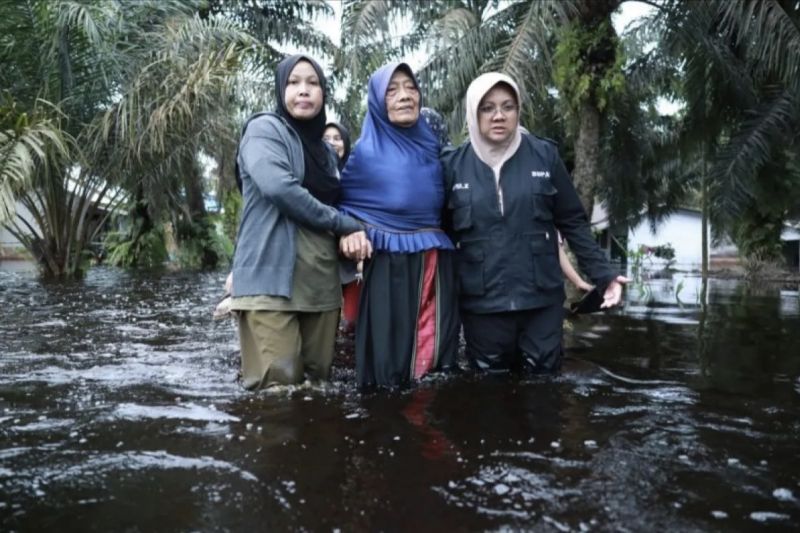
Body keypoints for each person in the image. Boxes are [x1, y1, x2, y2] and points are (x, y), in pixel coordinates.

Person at [442, 72, 628, 375]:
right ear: (473, 113)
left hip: (541, 300)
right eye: (487, 108)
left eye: (508, 106)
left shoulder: (544, 155)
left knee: (544, 389)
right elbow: (441, 235)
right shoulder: (452, 166)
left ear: (518, 111)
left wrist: (604, 275)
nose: (499, 116)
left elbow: (573, 222)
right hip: (482, 303)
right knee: (489, 389)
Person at [229, 54, 371, 390]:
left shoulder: (325, 153)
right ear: (281, 90)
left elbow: (344, 203)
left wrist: (352, 234)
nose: (303, 91)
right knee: (278, 390)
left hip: (321, 284)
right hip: (269, 280)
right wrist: (344, 224)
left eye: (313, 83)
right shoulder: (264, 130)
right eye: (293, 83)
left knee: (317, 387)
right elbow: (279, 187)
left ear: (324, 93)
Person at [338, 62, 459, 388]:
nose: (405, 96)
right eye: (392, 90)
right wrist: (349, 230)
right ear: (378, 101)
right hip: (387, 268)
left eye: (410, 87)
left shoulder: (435, 147)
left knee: (435, 367)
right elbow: (340, 206)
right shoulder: (363, 155)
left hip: (435, 268)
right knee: (388, 371)